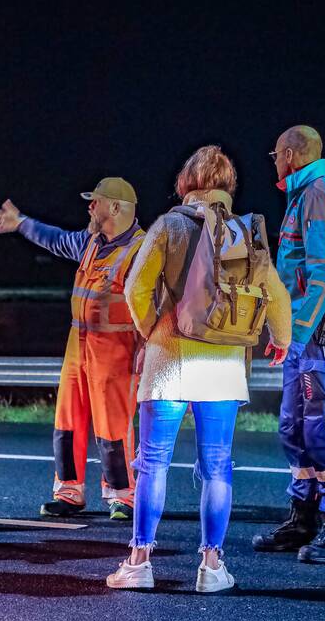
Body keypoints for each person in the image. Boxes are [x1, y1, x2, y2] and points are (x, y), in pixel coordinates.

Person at [105, 145, 292, 592]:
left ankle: (139, 561)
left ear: (186, 184)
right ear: (228, 186)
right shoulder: (244, 232)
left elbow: (135, 287)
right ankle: (211, 565)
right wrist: (281, 340)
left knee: (153, 463)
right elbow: (276, 295)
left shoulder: (169, 225)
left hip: (170, 361)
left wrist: (154, 330)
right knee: (217, 464)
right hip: (224, 367)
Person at [0, 178, 144, 520]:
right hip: (79, 344)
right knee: (68, 419)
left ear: (116, 208)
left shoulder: (141, 250)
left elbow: (156, 306)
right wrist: (21, 224)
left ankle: (122, 495)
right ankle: (69, 492)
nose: (89, 206)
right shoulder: (91, 242)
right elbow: (56, 240)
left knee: (113, 425)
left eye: (96, 201)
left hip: (116, 349)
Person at [251, 125, 325, 564]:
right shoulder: (302, 196)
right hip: (301, 335)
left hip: (314, 336)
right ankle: (303, 517)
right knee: (292, 426)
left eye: (275, 154)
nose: (274, 161)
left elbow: (324, 272)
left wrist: (295, 331)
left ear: (291, 156)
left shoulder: (317, 194)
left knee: (318, 425)